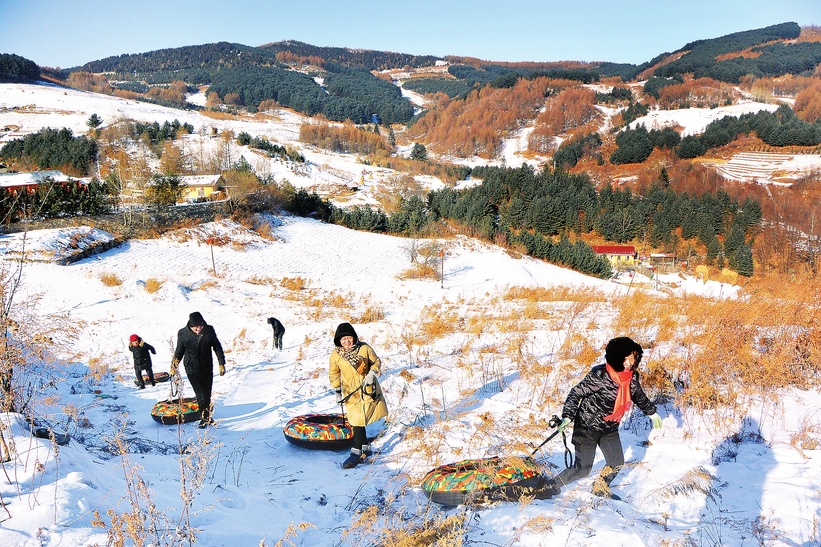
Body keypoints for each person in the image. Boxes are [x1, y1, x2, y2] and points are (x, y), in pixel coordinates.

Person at [549, 336, 663, 499]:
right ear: (616, 357)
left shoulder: (632, 377)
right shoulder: (600, 375)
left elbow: (638, 395)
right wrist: (567, 416)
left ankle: (600, 488)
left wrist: (651, 412)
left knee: (616, 463)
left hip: (609, 428)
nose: (629, 362)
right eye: (625, 358)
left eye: (632, 358)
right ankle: (551, 485)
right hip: (587, 428)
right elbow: (576, 393)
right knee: (582, 470)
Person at [329, 322, 388, 469]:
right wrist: (337, 391)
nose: (347, 341)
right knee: (356, 421)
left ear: (354, 337)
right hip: (351, 393)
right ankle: (361, 450)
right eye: (343, 339)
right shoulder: (336, 355)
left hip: (367, 389)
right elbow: (334, 373)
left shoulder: (364, 348)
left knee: (360, 420)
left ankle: (358, 452)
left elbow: (376, 362)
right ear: (339, 341)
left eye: (349, 338)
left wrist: (372, 373)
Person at [171, 312, 226, 428]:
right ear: (190, 326)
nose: (198, 329)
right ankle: (204, 419)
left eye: (200, 326)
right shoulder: (183, 333)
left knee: (207, 393)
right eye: (195, 327)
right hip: (192, 368)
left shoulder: (209, 330)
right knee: (201, 395)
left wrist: (221, 363)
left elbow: (217, 347)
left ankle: (207, 416)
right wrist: (174, 366)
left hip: (206, 367)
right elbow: (179, 351)